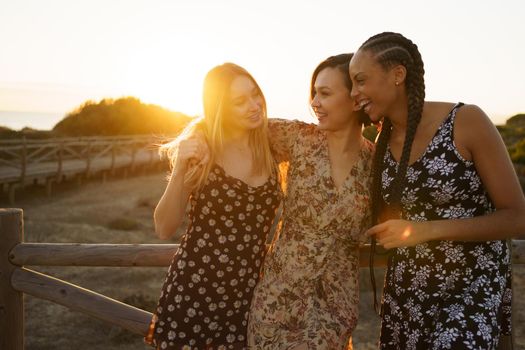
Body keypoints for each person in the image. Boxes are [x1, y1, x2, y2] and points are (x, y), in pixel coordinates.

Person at [349, 32, 525, 349]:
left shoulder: (466, 121)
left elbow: (517, 217)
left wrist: (424, 231)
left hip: (470, 288)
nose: (354, 92)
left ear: (398, 74)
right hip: (407, 294)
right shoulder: (382, 144)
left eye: (360, 81)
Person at [145, 63, 282, 349]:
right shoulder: (203, 148)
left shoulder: (272, 145)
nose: (254, 105)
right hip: (193, 292)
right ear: (221, 109)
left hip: (245, 299)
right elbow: (163, 227)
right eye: (239, 102)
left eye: (254, 94)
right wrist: (181, 166)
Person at [247, 53, 374, 350]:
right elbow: (235, 127)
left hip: (335, 307)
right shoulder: (298, 138)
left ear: (356, 99)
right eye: (314, 93)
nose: (314, 102)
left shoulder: (376, 162)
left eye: (325, 93)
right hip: (278, 299)